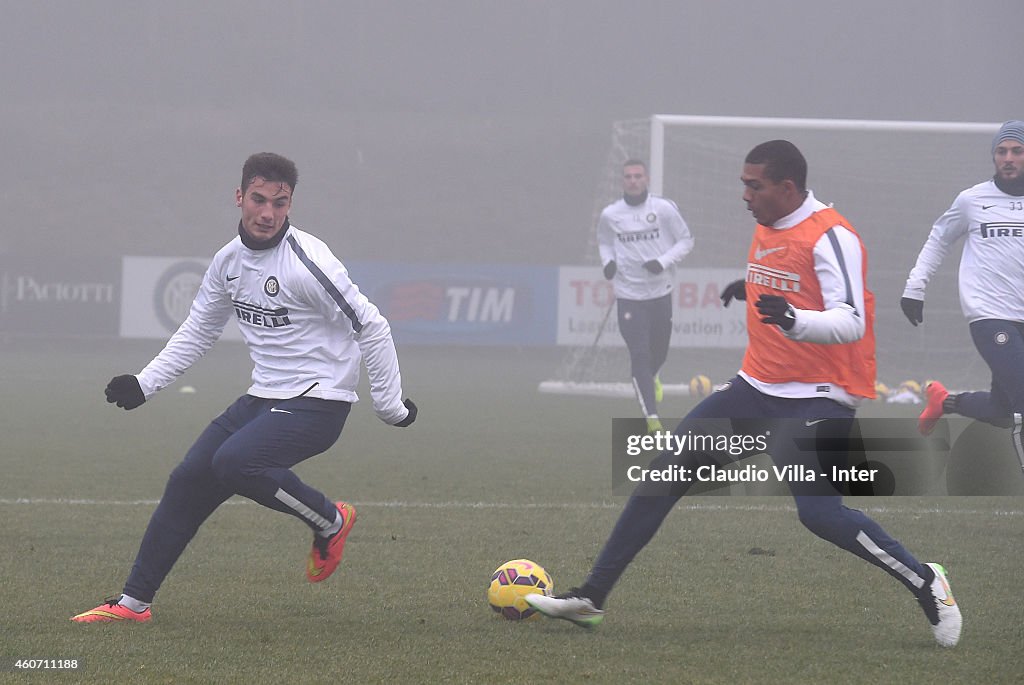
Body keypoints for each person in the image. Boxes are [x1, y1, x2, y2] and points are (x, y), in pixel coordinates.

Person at [527, 140, 962, 648]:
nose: (745, 195)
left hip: (820, 396)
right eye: (743, 184)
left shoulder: (832, 236)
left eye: (754, 185)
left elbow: (852, 320)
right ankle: (591, 598)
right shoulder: (768, 222)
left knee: (819, 514)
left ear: (788, 187)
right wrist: (750, 287)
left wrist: (795, 319)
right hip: (757, 387)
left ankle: (927, 581)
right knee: (666, 474)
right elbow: (787, 278)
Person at [71, 153, 417, 623]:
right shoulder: (228, 262)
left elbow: (372, 326)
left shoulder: (308, 262)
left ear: (290, 203)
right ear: (239, 197)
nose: (268, 212)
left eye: (280, 202)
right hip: (263, 399)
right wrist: (144, 383)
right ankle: (132, 605)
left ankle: (330, 520)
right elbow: (198, 330)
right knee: (188, 480)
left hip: (320, 403)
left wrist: (390, 406)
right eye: (258, 199)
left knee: (234, 461)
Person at [902, 120, 1024, 473]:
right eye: (1002, 151)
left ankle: (946, 401)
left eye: (1017, 151)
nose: (1009, 158)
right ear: (994, 157)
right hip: (989, 315)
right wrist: (915, 287)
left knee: (1003, 412)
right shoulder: (972, 201)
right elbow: (938, 239)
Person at [597, 159, 695, 433]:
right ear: (622, 181)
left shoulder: (663, 209)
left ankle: (653, 377)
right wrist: (608, 263)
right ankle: (652, 419)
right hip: (628, 295)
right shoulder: (610, 214)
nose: (633, 180)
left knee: (658, 352)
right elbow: (604, 242)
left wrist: (662, 262)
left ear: (646, 179)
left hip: (660, 292)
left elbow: (686, 240)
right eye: (628, 176)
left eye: (638, 176)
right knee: (639, 354)